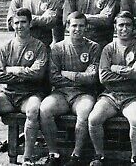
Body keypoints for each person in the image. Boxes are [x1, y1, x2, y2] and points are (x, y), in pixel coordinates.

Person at [0, 8, 48, 166]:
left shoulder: (39, 46)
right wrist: (26, 73)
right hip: (8, 94)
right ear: (12, 25)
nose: (20, 26)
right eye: (16, 22)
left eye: (23, 22)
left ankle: (27, 158)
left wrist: (14, 70)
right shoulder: (4, 48)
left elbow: (38, 74)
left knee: (34, 110)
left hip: (30, 94)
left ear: (30, 23)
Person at [88, 11, 136, 166]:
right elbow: (104, 77)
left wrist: (116, 69)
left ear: (134, 28)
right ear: (115, 27)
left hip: (134, 95)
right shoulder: (108, 49)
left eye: (128, 25)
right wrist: (130, 71)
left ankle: (135, 157)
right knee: (93, 118)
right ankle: (99, 155)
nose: (124, 28)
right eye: (121, 25)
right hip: (111, 95)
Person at [39, 12, 101, 166]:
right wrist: (80, 76)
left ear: (86, 28)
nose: (77, 29)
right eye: (74, 25)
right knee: (45, 109)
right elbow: (54, 77)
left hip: (83, 93)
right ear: (67, 27)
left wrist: (69, 74)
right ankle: (54, 154)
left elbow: (92, 77)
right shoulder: (58, 48)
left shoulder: (93, 47)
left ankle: (76, 155)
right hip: (61, 92)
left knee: (85, 111)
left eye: (81, 26)